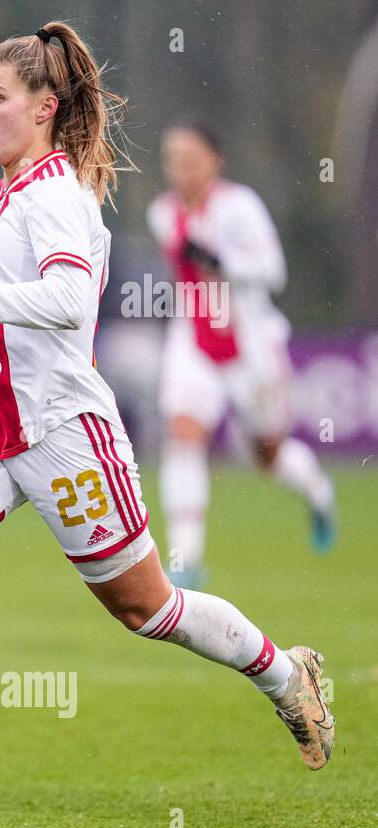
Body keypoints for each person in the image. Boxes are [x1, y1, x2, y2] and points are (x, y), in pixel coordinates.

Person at [0, 23, 335, 817]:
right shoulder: (10, 190)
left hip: (66, 434)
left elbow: (71, 305)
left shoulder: (56, 193)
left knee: (150, 609)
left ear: (43, 108)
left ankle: (286, 674)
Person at [148, 123, 336, 587]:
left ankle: (318, 491)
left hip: (250, 347)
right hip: (193, 342)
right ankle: (185, 559)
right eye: (174, 159)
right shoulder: (161, 212)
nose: (182, 169)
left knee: (266, 456)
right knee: (183, 433)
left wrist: (219, 260)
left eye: (192, 158)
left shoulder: (241, 207)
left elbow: (274, 272)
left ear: (216, 160)